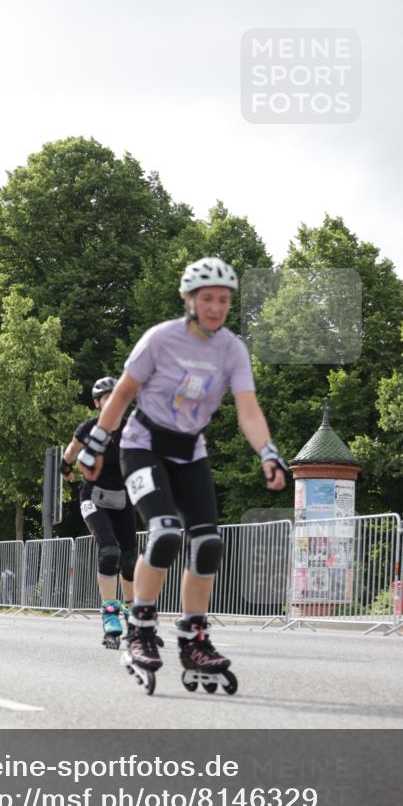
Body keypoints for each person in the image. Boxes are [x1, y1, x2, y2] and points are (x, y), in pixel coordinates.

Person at [77, 257, 288, 693]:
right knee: (167, 533)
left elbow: (248, 408)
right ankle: (139, 627)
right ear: (189, 300)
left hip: (190, 452)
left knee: (208, 543)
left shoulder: (232, 348)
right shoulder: (160, 339)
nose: (216, 308)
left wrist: (268, 452)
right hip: (143, 446)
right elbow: (122, 394)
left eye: (224, 300)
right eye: (207, 299)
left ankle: (194, 637)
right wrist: (96, 442)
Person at [62, 377, 137, 648]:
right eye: (106, 398)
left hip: (122, 498)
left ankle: (132, 612)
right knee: (110, 552)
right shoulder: (90, 428)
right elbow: (71, 451)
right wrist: (65, 467)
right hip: (92, 497)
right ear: (97, 403)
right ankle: (109, 614)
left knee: (129, 561)